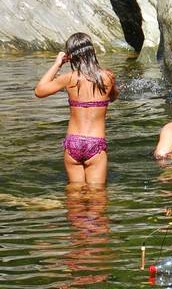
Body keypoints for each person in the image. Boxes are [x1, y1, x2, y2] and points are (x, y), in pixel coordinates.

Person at [34, 32, 118, 185]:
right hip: (95, 143)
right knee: (97, 197)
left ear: (70, 56)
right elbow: (113, 97)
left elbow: (39, 91)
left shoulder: (69, 78)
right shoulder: (108, 76)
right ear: (92, 51)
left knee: (74, 194)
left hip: (73, 143)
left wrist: (57, 64)